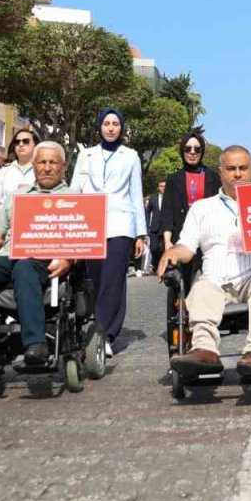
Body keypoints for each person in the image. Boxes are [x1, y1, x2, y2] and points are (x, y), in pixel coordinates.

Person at [159, 146, 251, 378]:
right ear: (221, 172)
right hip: (215, 279)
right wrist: (173, 253)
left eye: (243, 168)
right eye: (231, 169)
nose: (237, 174)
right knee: (201, 288)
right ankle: (204, 351)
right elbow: (187, 246)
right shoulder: (202, 208)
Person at [0, 142, 74, 367]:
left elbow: (85, 241)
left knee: (25, 266)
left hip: (46, 260)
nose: (47, 167)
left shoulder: (75, 198)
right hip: (11, 255)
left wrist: (69, 259)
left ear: (63, 168)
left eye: (53, 162)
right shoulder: (17, 197)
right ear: (34, 166)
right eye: (42, 162)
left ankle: (36, 344)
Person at [70, 108, 146, 357]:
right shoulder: (86, 154)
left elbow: (136, 194)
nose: (111, 128)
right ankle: (93, 327)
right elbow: (75, 188)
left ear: (121, 128)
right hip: (90, 223)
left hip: (121, 225)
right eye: (106, 123)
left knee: (113, 279)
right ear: (99, 126)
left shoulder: (131, 156)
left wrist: (140, 234)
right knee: (95, 280)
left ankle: (105, 334)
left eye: (115, 124)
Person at [159, 131, 223, 291]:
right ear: (182, 151)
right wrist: (168, 242)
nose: (192, 153)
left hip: (208, 236)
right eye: (188, 149)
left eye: (197, 149)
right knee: (184, 284)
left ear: (202, 152)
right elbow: (167, 212)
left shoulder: (214, 177)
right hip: (182, 237)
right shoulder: (173, 179)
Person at [0, 127, 38, 238]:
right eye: (17, 142)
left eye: (26, 141)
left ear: (35, 145)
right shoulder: (4, 172)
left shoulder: (42, 172)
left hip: (34, 233)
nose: (20, 144)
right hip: (6, 235)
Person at [146, 181, 167, 273]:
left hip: (166, 227)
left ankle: (163, 267)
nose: (163, 188)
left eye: (165, 186)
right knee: (154, 248)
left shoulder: (170, 197)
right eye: (161, 186)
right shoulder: (153, 198)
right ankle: (156, 263)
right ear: (158, 188)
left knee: (164, 248)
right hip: (154, 228)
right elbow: (147, 212)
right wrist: (147, 225)